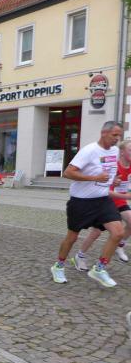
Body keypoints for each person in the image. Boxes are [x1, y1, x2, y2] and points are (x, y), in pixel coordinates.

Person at [51, 121, 125, 287]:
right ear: (104, 133)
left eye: (119, 136)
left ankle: (99, 269)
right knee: (72, 237)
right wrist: (94, 178)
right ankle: (58, 266)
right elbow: (68, 172)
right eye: (114, 135)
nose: (117, 139)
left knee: (118, 233)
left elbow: (107, 172)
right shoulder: (89, 150)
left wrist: (114, 180)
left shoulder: (114, 151)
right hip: (81, 202)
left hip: (103, 200)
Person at [71, 139, 131, 267]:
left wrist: (126, 194)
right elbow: (105, 189)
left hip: (120, 201)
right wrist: (125, 195)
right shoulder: (112, 164)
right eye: (130, 150)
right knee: (96, 232)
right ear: (121, 152)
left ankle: (120, 245)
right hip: (105, 200)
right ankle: (80, 256)